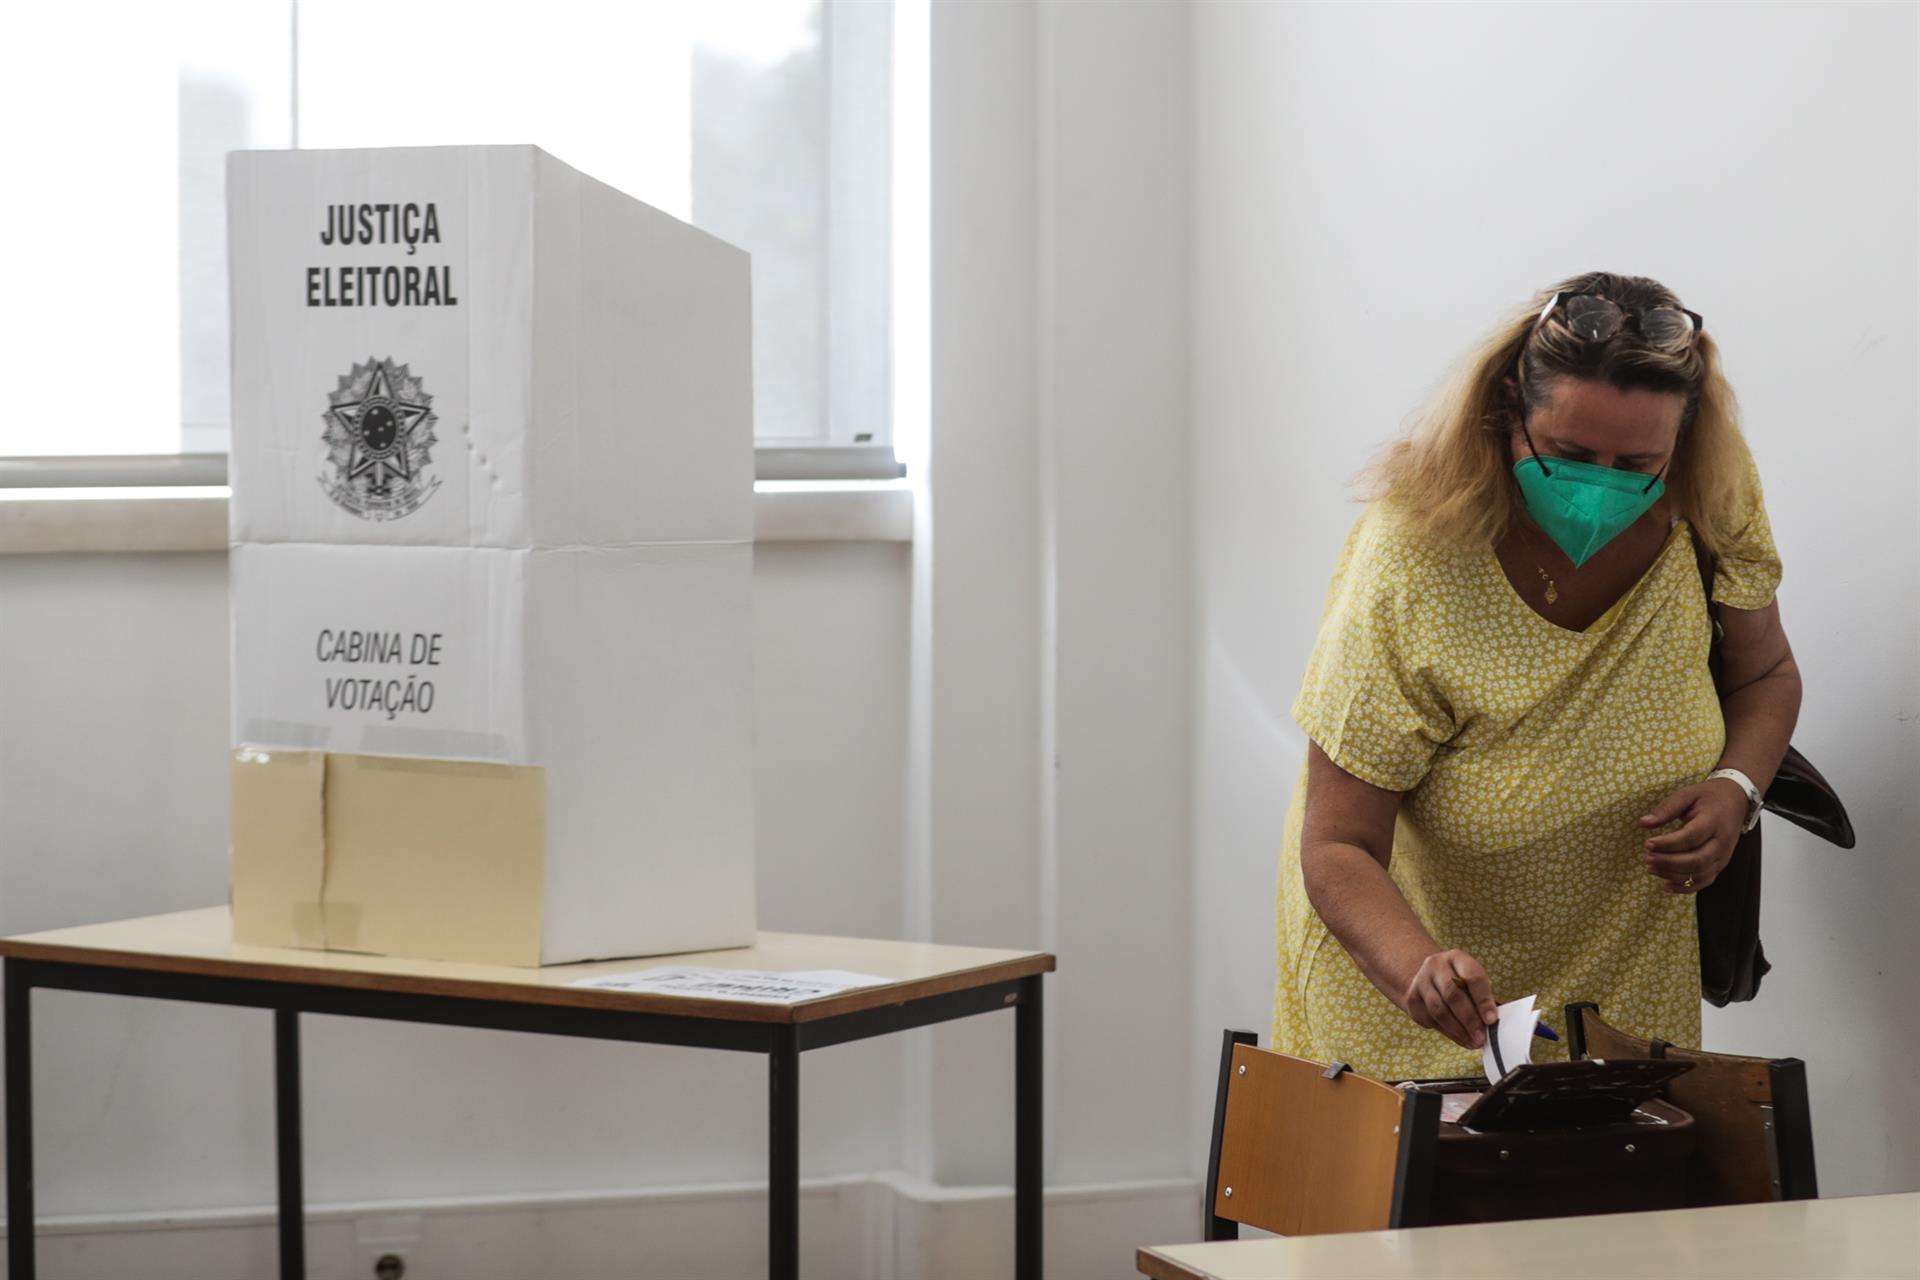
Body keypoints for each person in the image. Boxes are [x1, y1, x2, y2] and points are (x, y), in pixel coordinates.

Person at [1271, 271, 1801, 1081]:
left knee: (1627, 1200)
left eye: (1639, 462)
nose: (1604, 484)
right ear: (1506, 408)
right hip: (1423, 999)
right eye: (1570, 454)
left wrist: (1736, 788)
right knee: (1432, 1200)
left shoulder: (1710, 497)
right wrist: (1419, 969)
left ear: (1683, 443)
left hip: (1626, 991)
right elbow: (1338, 842)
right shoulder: (1414, 558)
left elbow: (1766, 675)